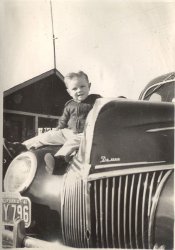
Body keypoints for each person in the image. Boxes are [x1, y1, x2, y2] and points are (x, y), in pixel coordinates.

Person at [5, 71, 101, 167]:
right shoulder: (69, 104)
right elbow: (64, 119)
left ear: (89, 86)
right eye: (74, 88)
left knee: (72, 143)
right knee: (47, 135)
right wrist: (59, 128)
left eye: (82, 86)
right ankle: (19, 147)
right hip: (69, 132)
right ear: (69, 92)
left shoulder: (96, 100)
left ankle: (59, 160)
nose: (79, 90)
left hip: (85, 134)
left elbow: (106, 109)